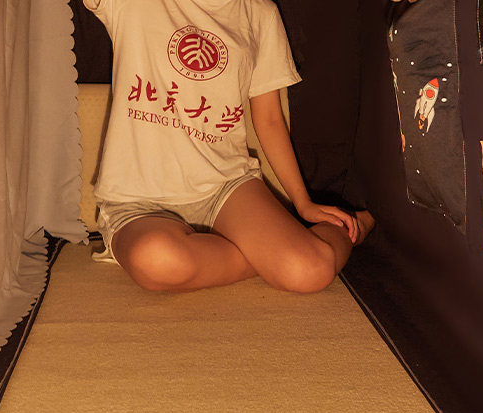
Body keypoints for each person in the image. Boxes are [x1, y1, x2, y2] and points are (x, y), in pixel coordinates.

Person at [83, 0, 374, 293]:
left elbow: (270, 119)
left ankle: (353, 227)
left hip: (225, 187)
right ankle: (268, 257)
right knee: (157, 258)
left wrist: (303, 203)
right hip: (137, 200)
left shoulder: (260, 13)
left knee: (310, 271)